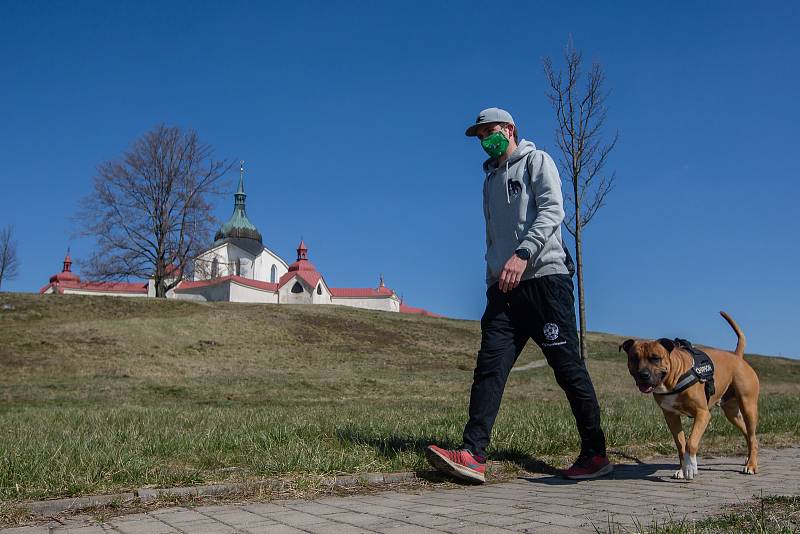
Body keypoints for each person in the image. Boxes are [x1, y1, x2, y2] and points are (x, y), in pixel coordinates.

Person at [425, 107, 612, 482]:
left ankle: (595, 454)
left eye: (489, 131)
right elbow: (494, 237)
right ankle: (473, 454)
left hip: (544, 280)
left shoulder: (536, 161)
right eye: (479, 136)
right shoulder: (489, 180)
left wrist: (523, 254)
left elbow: (553, 210)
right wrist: (493, 276)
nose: (484, 140)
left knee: (567, 368)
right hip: (504, 289)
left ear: (509, 129)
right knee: (489, 369)